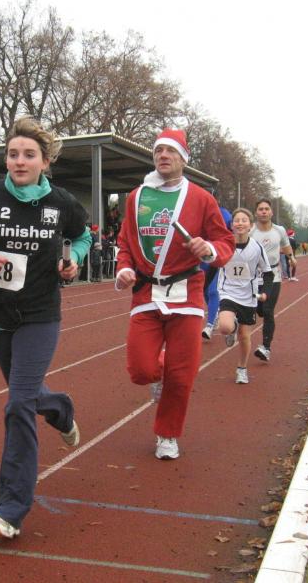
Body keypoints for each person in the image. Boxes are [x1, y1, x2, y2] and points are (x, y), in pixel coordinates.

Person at [0, 116, 91, 540]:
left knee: (18, 404)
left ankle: (11, 507)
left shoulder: (61, 202)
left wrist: (74, 261)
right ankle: (60, 409)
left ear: (45, 162)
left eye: (29, 155)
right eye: (13, 154)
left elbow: (82, 238)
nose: (19, 161)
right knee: (27, 396)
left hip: (41, 314)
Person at [115, 128, 235, 460]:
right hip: (146, 293)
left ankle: (167, 435)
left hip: (187, 294)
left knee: (182, 377)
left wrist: (208, 248)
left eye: (171, 151)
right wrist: (123, 268)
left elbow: (224, 242)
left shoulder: (201, 198)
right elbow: (125, 242)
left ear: (183, 159)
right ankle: (159, 372)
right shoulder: (137, 197)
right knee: (141, 370)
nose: (163, 156)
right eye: (158, 151)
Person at [215, 208, 274, 384]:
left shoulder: (257, 248)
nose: (240, 223)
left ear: (250, 225)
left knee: (244, 336)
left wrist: (266, 292)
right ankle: (231, 328)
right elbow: (213, 265)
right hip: (227, 292)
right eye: (237, 220)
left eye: (244, 220)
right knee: (225, 327)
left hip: (249, 296)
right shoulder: (224, 245)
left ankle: (242, 368)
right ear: (232, 225)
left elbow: (268, 272)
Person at [250, 199, 295, 362]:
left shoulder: (279, 230)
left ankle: (266, 348)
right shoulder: (251, 230)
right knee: (258, 310)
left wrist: (291, 257)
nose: (264, 211)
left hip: (273, 275)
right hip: (254, 276)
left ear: (271, 212)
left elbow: (286, 245)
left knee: (268, 310)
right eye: (260, 209)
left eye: (266, 209)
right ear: (256, 213)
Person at [202, 204, 233, 340]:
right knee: (204, 291)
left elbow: (231, 231)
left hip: (217, 256)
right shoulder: (195, 209)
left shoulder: (223, 213)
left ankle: (209, 325)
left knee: (213, 291)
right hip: (201, 258)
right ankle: (215, 315)